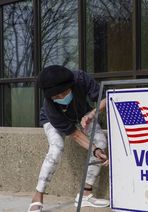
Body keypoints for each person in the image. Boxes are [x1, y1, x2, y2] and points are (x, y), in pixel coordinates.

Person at [28, 65, 109, 212]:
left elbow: (106, 98)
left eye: (63, 93)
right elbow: (75, 134)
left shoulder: (80, 78)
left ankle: (86, 194)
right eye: (55, 97)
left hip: (83, 114)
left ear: (71, 86)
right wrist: (94, 150)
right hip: (52, 121)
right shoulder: (49, 107)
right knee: (56, 147)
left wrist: (92, 114)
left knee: (101, 141)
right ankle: (37, 195)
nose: (60, 98)